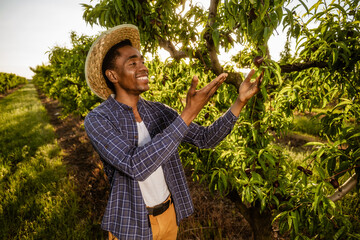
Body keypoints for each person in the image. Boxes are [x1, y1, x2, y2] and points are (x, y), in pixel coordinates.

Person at [84, 24, 263, 240]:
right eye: (133, 63)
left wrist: (239, 102)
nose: (143, 68)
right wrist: (188, 114)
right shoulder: (98, 119)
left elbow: (205, 138)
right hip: (131, 224)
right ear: (112, 75)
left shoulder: (157, 111)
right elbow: (134, 165)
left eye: (142, 61)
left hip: (168, 216)